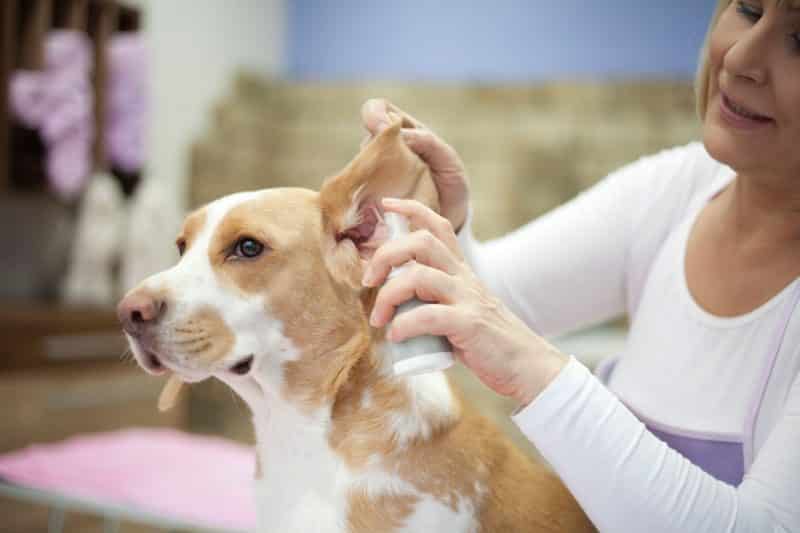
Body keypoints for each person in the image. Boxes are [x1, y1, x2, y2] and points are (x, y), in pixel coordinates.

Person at [359, 1, 800, 531]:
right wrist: (443, 223)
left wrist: (534, 368)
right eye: (749, 9)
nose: (742, 59)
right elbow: (494, 305)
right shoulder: (674, 190)